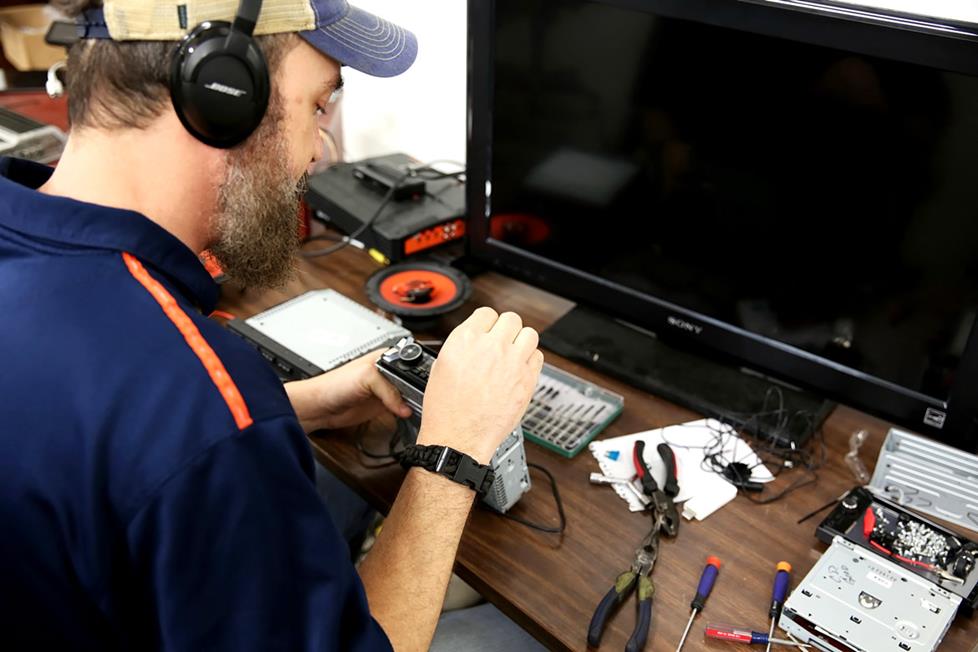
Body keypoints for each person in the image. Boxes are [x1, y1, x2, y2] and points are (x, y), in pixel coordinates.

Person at [0, 0, 545, 650]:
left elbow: (93, 438)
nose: (322, 151)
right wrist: (454, 451)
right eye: (318, 106)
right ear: (222, 91)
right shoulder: (201, 407)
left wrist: (298, 404)